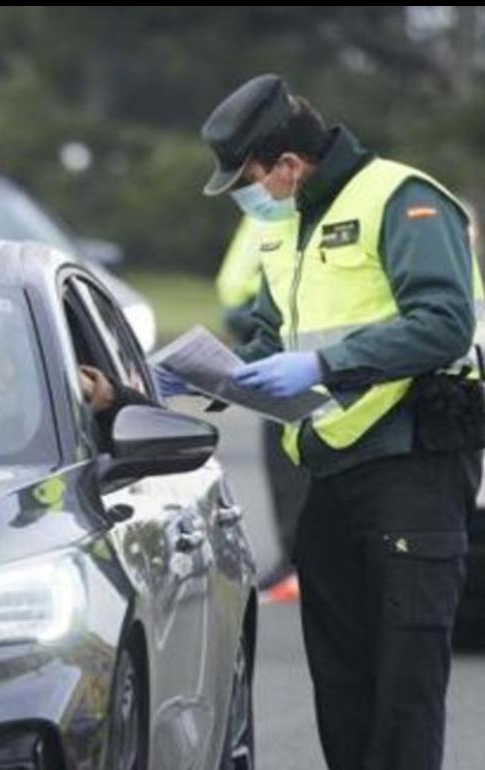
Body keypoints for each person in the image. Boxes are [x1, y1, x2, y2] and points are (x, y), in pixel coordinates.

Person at [199, 73, 485, 770]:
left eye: (254, 177)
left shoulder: (402, 199)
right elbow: (275, 333)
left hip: (413, 466)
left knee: (404, 687)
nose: (253, 193)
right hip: (330, 468)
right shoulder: (289, 225)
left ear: (291, 164)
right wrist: (208, 373)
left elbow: (445, 323)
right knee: (344, 683)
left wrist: (325, 367)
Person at [216, 214, 311, 583]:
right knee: (280, 465)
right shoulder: (264, 209)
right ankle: (291, 557)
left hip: (295, 344)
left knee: (298, 469)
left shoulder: (299, 208)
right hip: (258, 328)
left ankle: (299, 560)